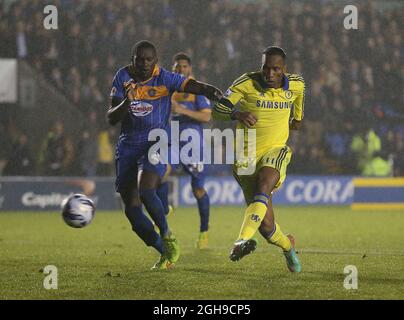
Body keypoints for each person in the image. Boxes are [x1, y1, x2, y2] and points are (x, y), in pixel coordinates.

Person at [106, 40, 222, 270]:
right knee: (132, 212)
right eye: (140, 59)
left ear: (157, 61)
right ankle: (164, 251)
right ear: (133, 60)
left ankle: (168, 233)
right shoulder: (122, 77)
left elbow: (196, 87)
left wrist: (219, 96)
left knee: (147, 188)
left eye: (150, 59)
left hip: (158, 142)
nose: (145, 64)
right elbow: (111, 118)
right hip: (128, 147)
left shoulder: (165, 78)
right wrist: (127, 103)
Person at [213, 46, 304, 273]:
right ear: (260, 67)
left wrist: (295, 122)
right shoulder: (245, 83)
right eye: (266, 68)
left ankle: (240, 241)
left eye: (276, 69)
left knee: (266, 181)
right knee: (267, 228)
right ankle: (287, 247)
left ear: (284, 69)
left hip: (276, 150)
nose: (270, 74)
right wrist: (238, 114)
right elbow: (217, 110)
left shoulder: (296, 85)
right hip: (246, 156)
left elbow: (298, 115)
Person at [170, 53, 212, 249]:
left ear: (190, 69)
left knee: (198, 190)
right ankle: (163, 210)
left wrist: (182, 110)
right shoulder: (166, 88)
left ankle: (204, 231)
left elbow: (205, 117)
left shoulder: (198, 89)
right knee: (159, 172)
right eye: (177, 66)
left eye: (184, 66)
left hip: (192, 145)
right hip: (169, 140)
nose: (180, 69)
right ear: (173, 69)